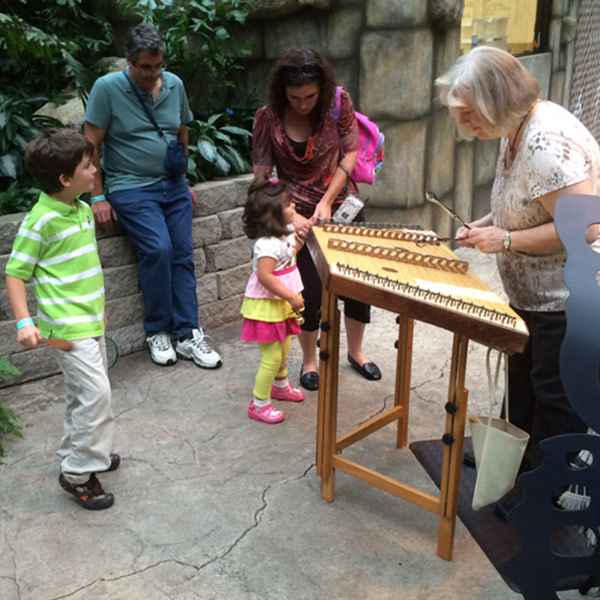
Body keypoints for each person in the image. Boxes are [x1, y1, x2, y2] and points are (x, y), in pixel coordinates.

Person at [436, 46, 600, 476]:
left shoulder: (545, 142)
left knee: (554, 391)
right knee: (523, 377)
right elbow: (525, 201)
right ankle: (513, 462)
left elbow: (586, 227)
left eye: (471, 114)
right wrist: (488, 223)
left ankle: (554, 484)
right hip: (532, 290)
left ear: (497, 100)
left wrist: (505, 239)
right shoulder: (514, 126)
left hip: (566, 294)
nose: (466, 126)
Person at [83, 23, 222, 369]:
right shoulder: (108, 88)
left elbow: (182, 129)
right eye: (145, 67)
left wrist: (182, 175)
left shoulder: (174, 84)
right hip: (130, 185)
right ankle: (158, 330)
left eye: (157, 66)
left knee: (182, 254)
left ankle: (189, 333)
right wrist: (97, 196)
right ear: (129, 62)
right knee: (158, 249)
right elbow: (90, 144)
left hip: (172, 186)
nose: (152, 73)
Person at [252, 48, 381, 391]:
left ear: (322, 89)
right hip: (293, 215)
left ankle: (356, 352)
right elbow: (262, 174)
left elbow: (350, 152)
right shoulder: (268, 117)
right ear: (282, 92)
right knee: (307, 289)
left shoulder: (338, 103)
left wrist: (326, 201)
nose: (303, 104)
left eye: (310, 96)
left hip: (341, 206)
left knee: (357, 285)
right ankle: (310, 360)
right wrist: (287, 215)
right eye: (294, 97)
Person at [5, 129, 118, 510]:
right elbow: (16, 273)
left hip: (90, 322)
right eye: (87, 166)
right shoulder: (40, 221)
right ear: (65, 180)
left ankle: (84, 450)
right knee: (96, 396)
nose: (94, 170)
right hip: (65, 330)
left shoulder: (82, 210)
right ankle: (78, 473)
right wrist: (24, 322)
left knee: (80, 396)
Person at [240, 179, 306, 424]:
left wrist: (297, 244)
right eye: (289, 204)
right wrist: (290, 296)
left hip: (281, 302)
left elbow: (287, 258)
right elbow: (265, 276)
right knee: (272, 355)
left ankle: (280, 385)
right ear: (273, 215)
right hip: (268, 304)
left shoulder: (284, 233)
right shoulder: (266, 245)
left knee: (285, 347)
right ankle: (259, 403)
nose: (294, 206)